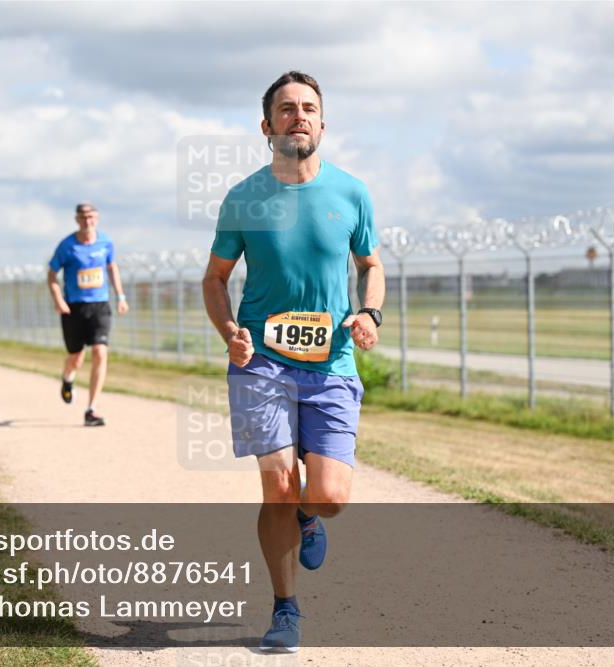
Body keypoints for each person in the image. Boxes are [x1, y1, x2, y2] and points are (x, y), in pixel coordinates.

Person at [201, 71, 385, 653]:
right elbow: (215, 279)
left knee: (329, 496)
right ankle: (286, 608)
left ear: (322, 125)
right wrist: (230, 331)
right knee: (278, 483)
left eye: (308, 108)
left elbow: (370, 265)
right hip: (263, 362)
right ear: (267, 126)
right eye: (286, 108)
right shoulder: (244, 198)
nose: (297, 115)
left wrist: (370, 313)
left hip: (330, 362)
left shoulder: (352, 193)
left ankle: (310, 515)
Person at [47, 202, 128, 426]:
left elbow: (112, 267)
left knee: (100, 352)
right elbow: (52, 275)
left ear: (97, 218)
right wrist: (58, 300)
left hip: (100, 305)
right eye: (83, 217)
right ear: (76, 219)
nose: (87, 220)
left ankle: (91, 409)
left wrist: (120, 296)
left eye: (91, 216)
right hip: (73, 308)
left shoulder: (105, 242)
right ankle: (67, 379)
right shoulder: (67, 246)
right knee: (76, 357)